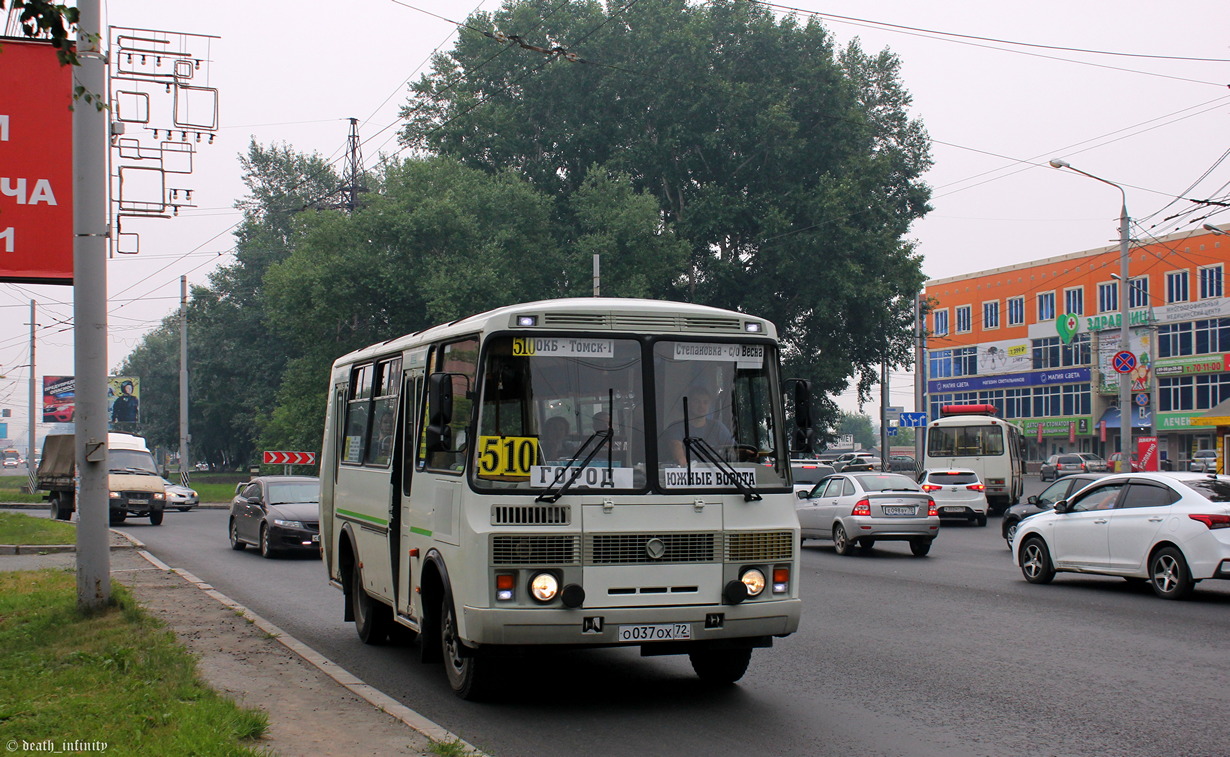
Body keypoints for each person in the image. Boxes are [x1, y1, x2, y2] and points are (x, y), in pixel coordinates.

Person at [661, 388, 736, 466]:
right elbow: (677, 450)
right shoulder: (676, 428)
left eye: (705, 402)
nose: (701, 406)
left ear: (709, 405)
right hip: (690, 475)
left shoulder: (717, 427)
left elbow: (734, 450)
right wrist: (685, 466)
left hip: (717, 473)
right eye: (697, 402)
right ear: (689, 404)